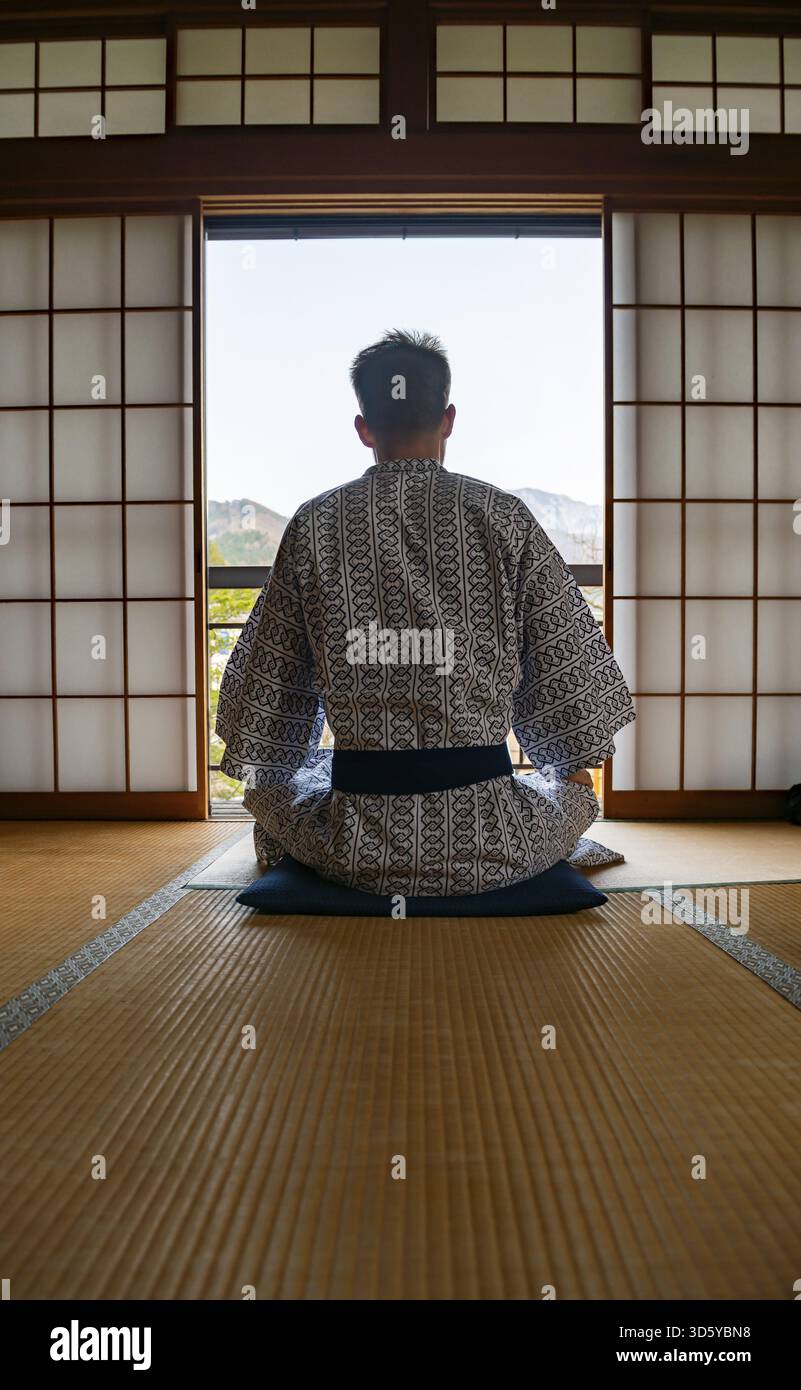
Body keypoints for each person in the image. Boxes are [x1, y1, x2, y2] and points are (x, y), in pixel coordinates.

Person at [216, 329, 635, 896]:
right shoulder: (504, 516)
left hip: (352, 845)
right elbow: (568, 675)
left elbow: (267, 694)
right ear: (449, 419)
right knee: (575, 787)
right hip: (496, 842)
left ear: (363, 428)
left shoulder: (314, 524)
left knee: (273, 787)